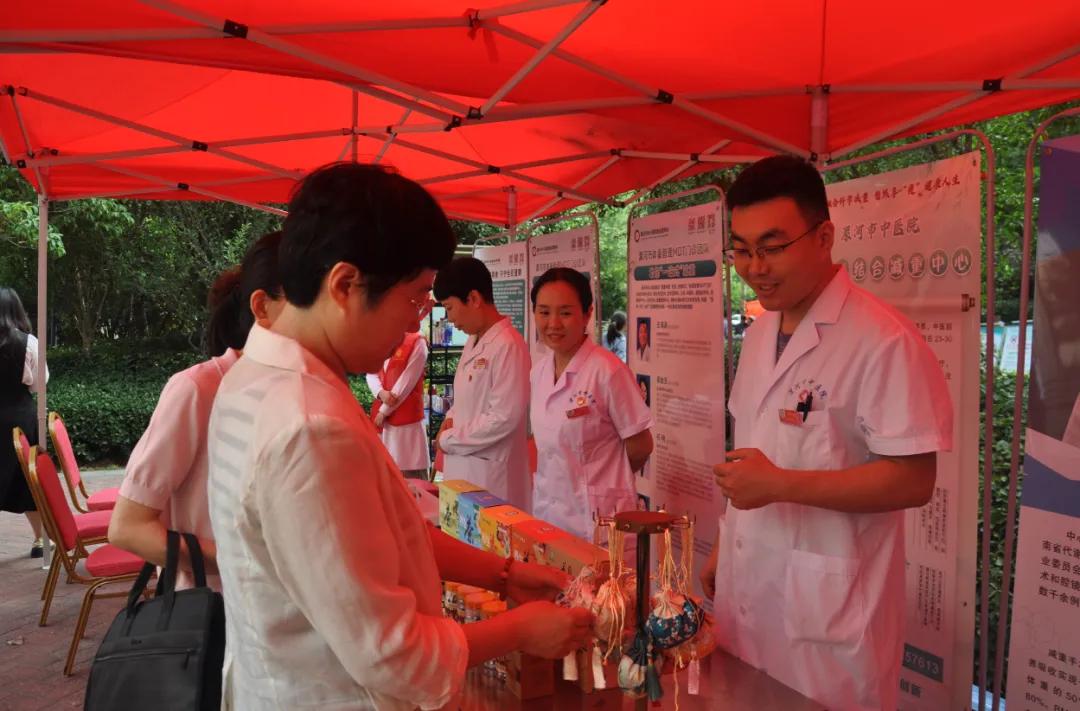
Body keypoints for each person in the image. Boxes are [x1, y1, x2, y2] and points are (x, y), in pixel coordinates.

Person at [205, 164, 593, 710]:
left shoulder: (253, 377)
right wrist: (521, 630)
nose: (415, 325)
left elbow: (385, 532)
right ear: (345, 285)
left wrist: (504, 574)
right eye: (415, 299)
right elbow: (392, 655)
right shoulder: (309, 428)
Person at [700, 155, 952, 710]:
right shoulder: (760, 334)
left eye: (772, 247)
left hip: (829, 620)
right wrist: (725, 542)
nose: (755, 267)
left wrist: (780, 485)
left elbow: (913, 480)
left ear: (824, 237)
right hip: (752, 589)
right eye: (741, 250)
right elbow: (753, 455)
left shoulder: (883, 341)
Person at [108, 231, 285, 590]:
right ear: (263, 307)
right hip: (211, 606)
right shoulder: (198, 389)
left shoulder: (303, 390)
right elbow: (128, 527)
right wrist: (249, 563)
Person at [530, 268, 654, 540]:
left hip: (599, 522)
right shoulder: (538, 373)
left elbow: (641, 445)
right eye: (544, 312)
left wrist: (605, 480)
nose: (553, 323)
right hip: (549, 514)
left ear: (587, 314)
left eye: (565, 313)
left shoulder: (608, 371)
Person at [433, 257, 531, 509]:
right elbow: (465, 399)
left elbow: (504, 418)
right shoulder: (473, 340)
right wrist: (450, 419)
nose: (449, 318)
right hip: (464, 469)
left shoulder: (508, 345)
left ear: (474, 299)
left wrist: (449, 439)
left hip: (490, 477)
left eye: (450, 308)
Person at [0, 287, 46, 557]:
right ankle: (40, 539)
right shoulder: (27, 343)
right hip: (19, 419)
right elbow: (40, 383)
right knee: (29, 479)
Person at [365, 330, 431, 479]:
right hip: (382, 419)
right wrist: (380, 392)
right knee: (385, 474)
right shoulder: (382, 337)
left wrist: (384, 411)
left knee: (411, 476)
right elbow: (371, 371)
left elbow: (406, 382)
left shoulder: (417, 342)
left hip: (407, 421)